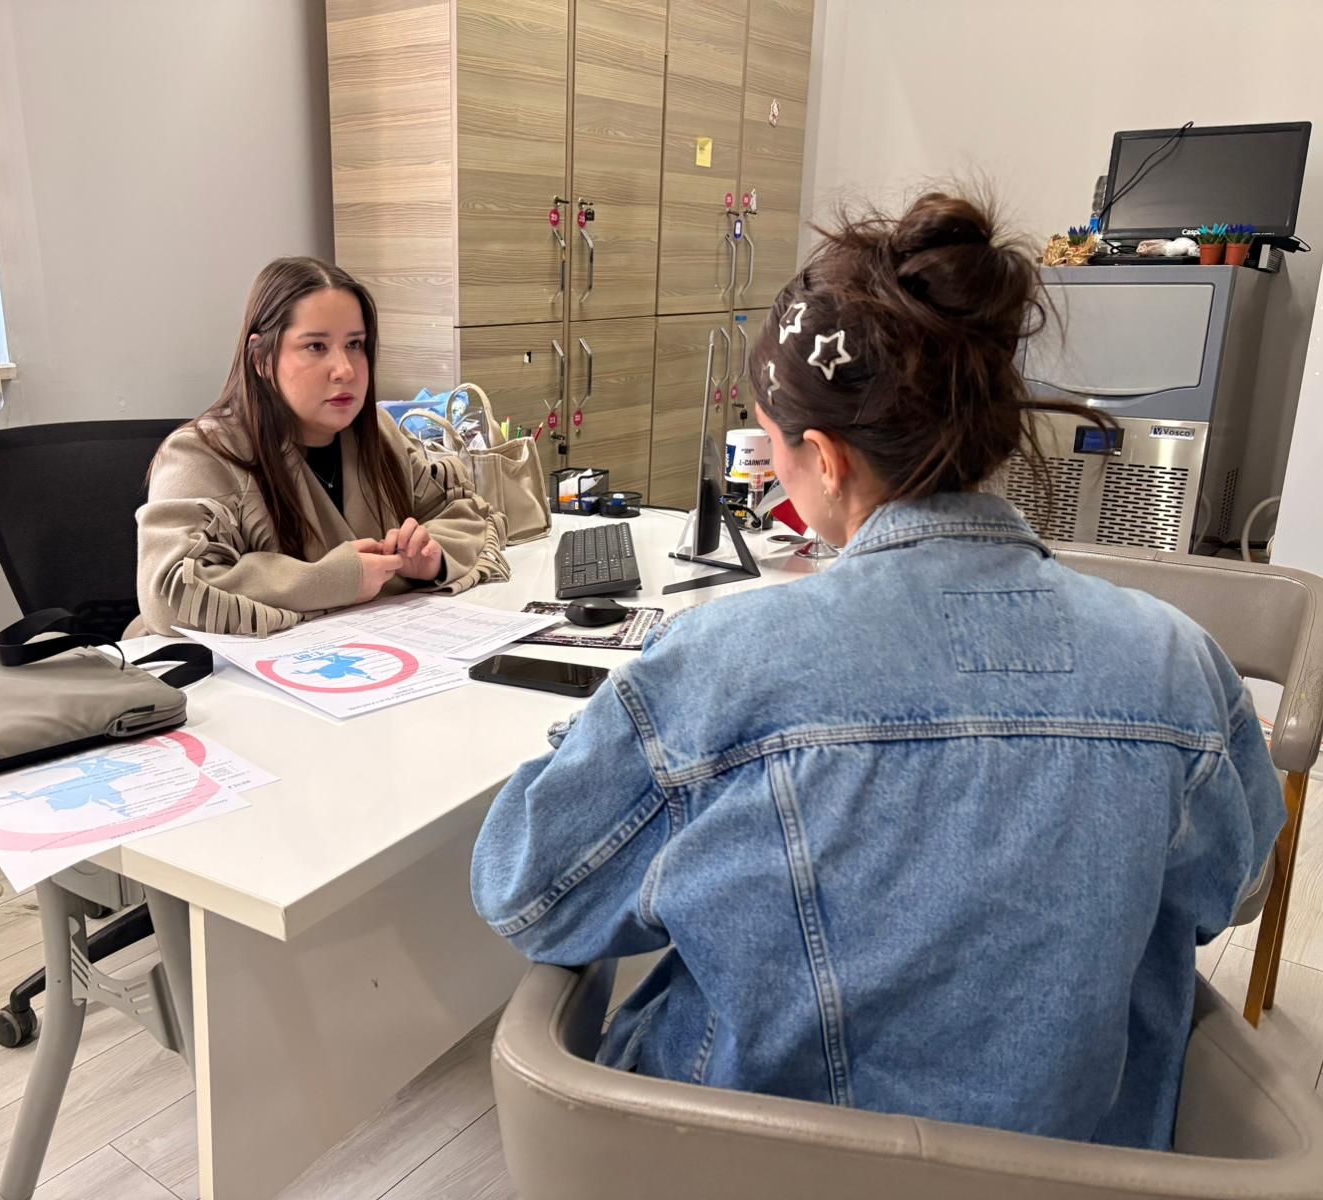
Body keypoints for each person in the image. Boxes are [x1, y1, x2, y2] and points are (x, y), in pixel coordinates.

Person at [470, 192, 1285, 1149]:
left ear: (823, 457)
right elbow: (1232, 891)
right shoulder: (1176, 663)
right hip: (1074, 1169)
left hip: (737, 1166)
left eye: (771, 441)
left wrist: (613, 731)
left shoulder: (719, 670)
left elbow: (525, 888)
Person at [135, 257, 508, 637]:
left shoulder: (378, 432)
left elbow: (471, 515)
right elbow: (167, 597)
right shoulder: (202, 454)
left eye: (355, 344)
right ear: (261, 358)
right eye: (315, 346)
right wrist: (330, 580)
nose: (345, 369)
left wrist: (432, 558)